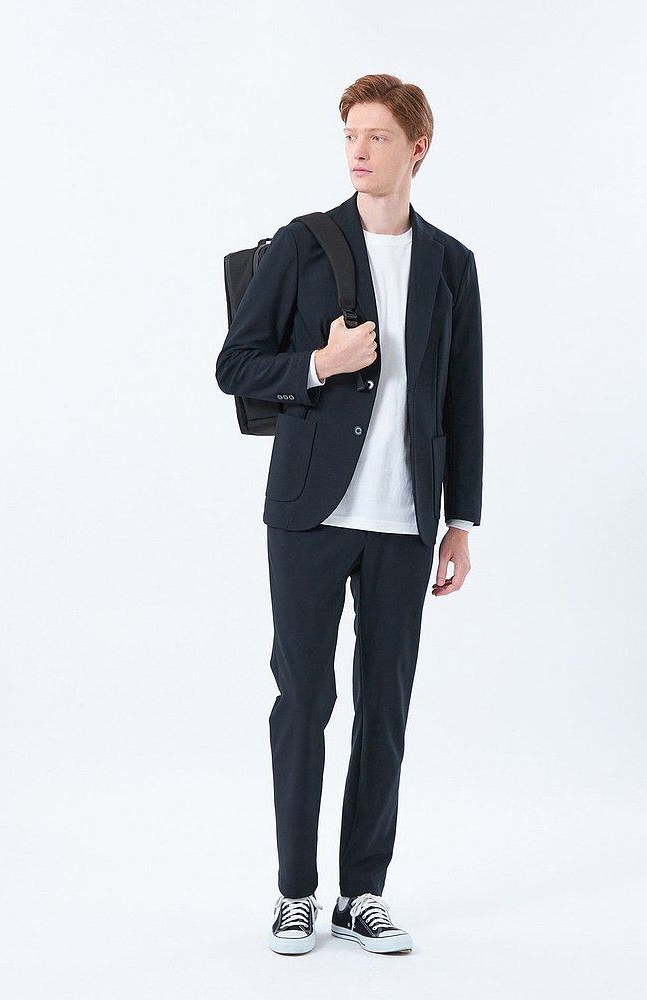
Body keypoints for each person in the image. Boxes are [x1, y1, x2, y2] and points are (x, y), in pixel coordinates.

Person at [215, 73, 483, 955]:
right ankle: (296, 891)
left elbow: (463, 398)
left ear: (418, 148)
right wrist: (318, 365)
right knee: (305, 698)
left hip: (406, 520)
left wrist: (460, 521)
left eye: (377, 136)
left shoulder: (451, 263)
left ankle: (362, 891)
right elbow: (235, 365)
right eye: (350, 136)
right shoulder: (304, 242)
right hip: (308, 514)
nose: (359, 151)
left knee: (385, 705)